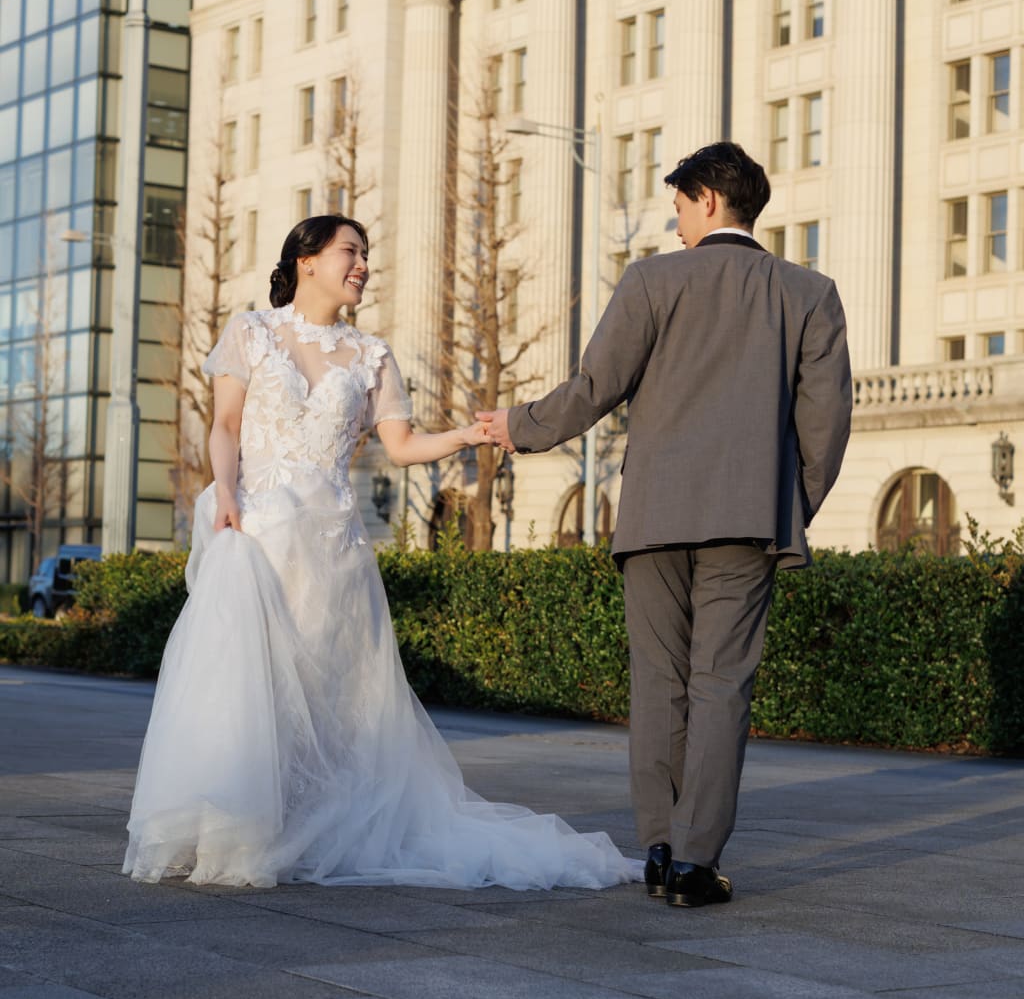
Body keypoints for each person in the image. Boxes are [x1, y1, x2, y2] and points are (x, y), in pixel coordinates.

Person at [122, 214, 641, 890]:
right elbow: (223, 426)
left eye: (366, 254)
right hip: (256, 532)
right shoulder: (250, 332)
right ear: (307, 259)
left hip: (333, 551)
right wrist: (225, 494)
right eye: (351, 252)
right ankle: (244, 833)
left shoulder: (371, 356)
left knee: (328, 698)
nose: (363, 264)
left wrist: (468, 436)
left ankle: (316, 826)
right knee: (248, 691)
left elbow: (400, 447)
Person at [481, 142, 852, 908]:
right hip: (748, 520)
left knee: (658, 683)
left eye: (680, 204)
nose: (675, 220)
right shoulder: (810, 293)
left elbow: (594, 388)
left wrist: (518, 426)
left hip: (651, 518)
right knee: (722, 687)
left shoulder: (651, 280)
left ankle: (656, 845)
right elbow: (827, 426)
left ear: (709, 198)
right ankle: (694, 863)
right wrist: (790, 505)